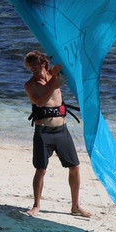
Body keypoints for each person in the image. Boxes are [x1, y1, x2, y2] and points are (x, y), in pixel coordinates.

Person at [23, 50, 91, 218]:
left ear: (44, 63)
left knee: (74, 167)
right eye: (29, 66)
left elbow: (69, 64)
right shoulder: (30, 85)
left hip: (61, 130)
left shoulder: (54, 74)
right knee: (41, 169)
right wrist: (53, 85)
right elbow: (39, 102)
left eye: (35, 65)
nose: (32, 69)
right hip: (43, 132)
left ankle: (75, 206)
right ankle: (36, 205)